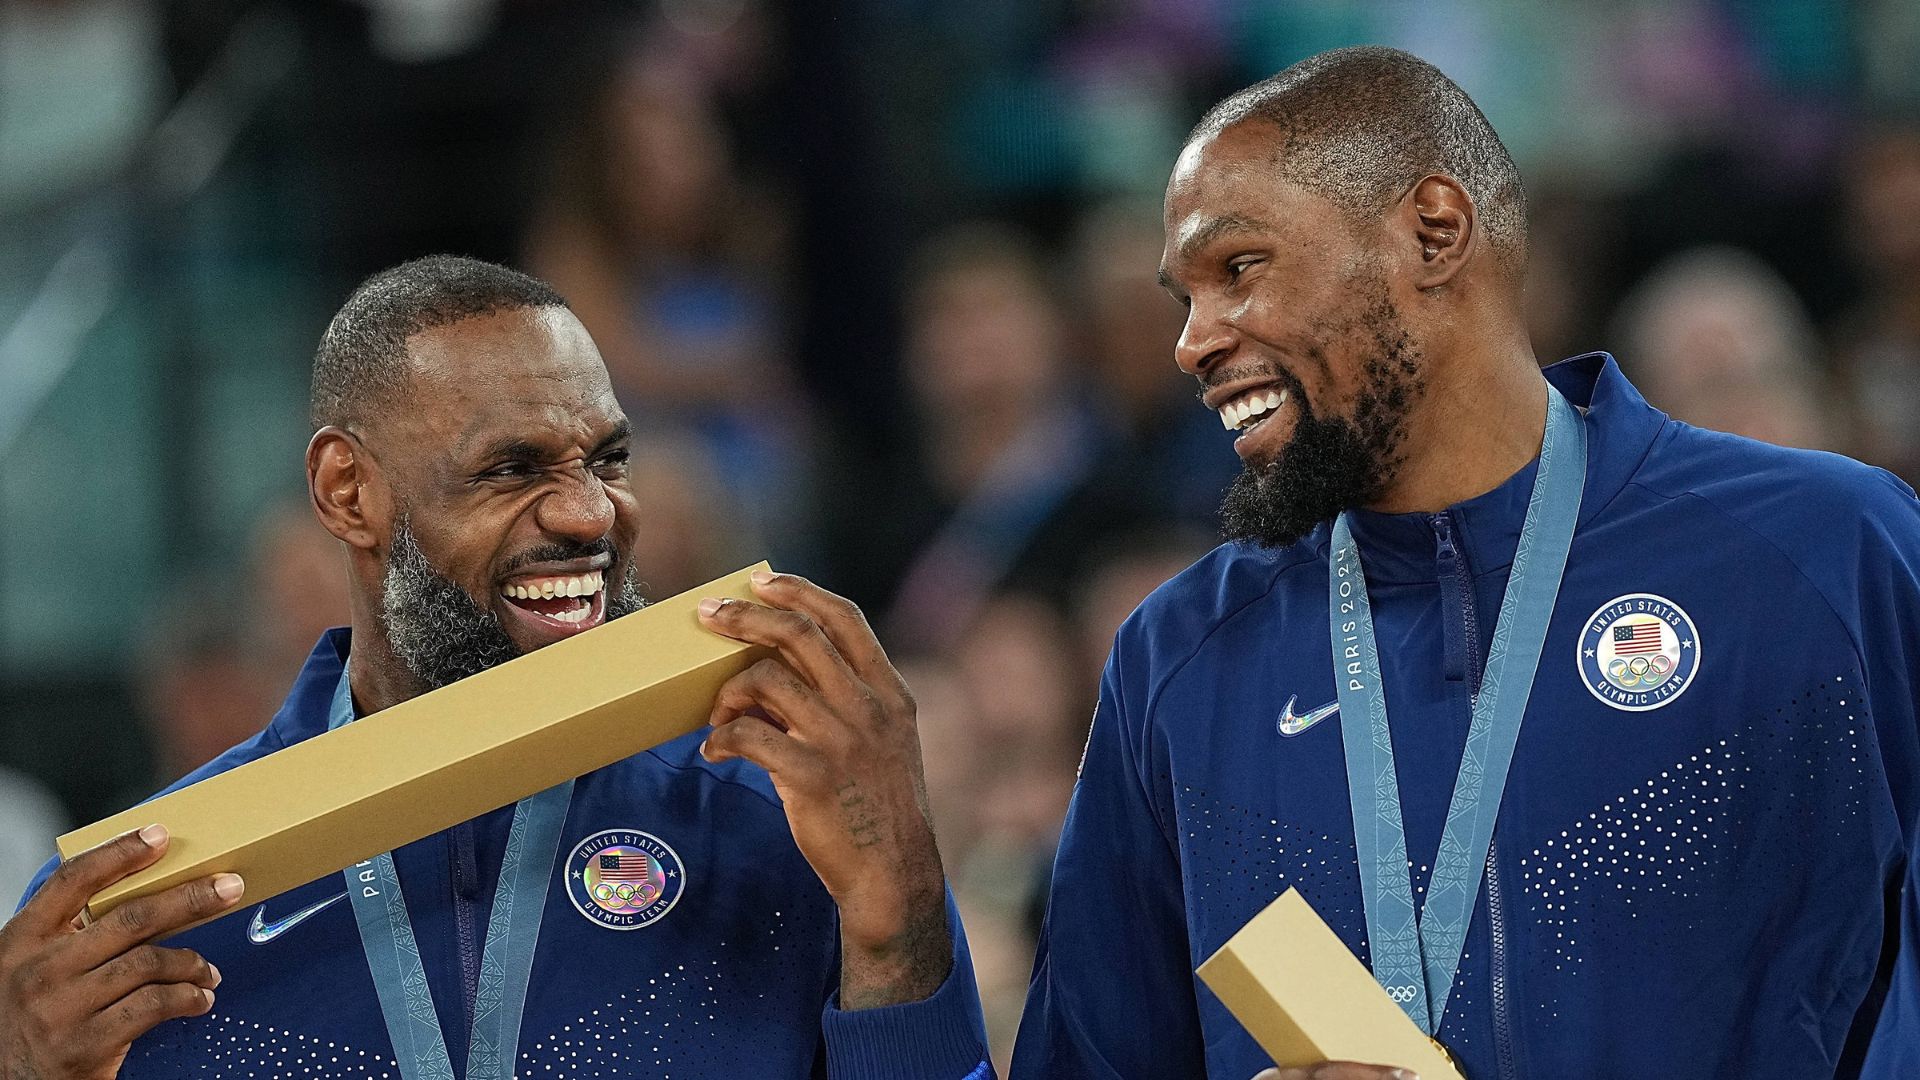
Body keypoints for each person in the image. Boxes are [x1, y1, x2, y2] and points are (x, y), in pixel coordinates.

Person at [1011, 47, 1920, 1080]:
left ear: (1434, 233)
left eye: (1239, 269)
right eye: (1184, 297)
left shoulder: (1825, 553)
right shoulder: (1180, 662)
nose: (1191, 341)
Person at [0, 256, 990, 1079]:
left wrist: (898, 928)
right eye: (512, 468)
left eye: (607, 460)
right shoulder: (133, 919)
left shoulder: (787, 827)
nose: (590, 514)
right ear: (348, 492)